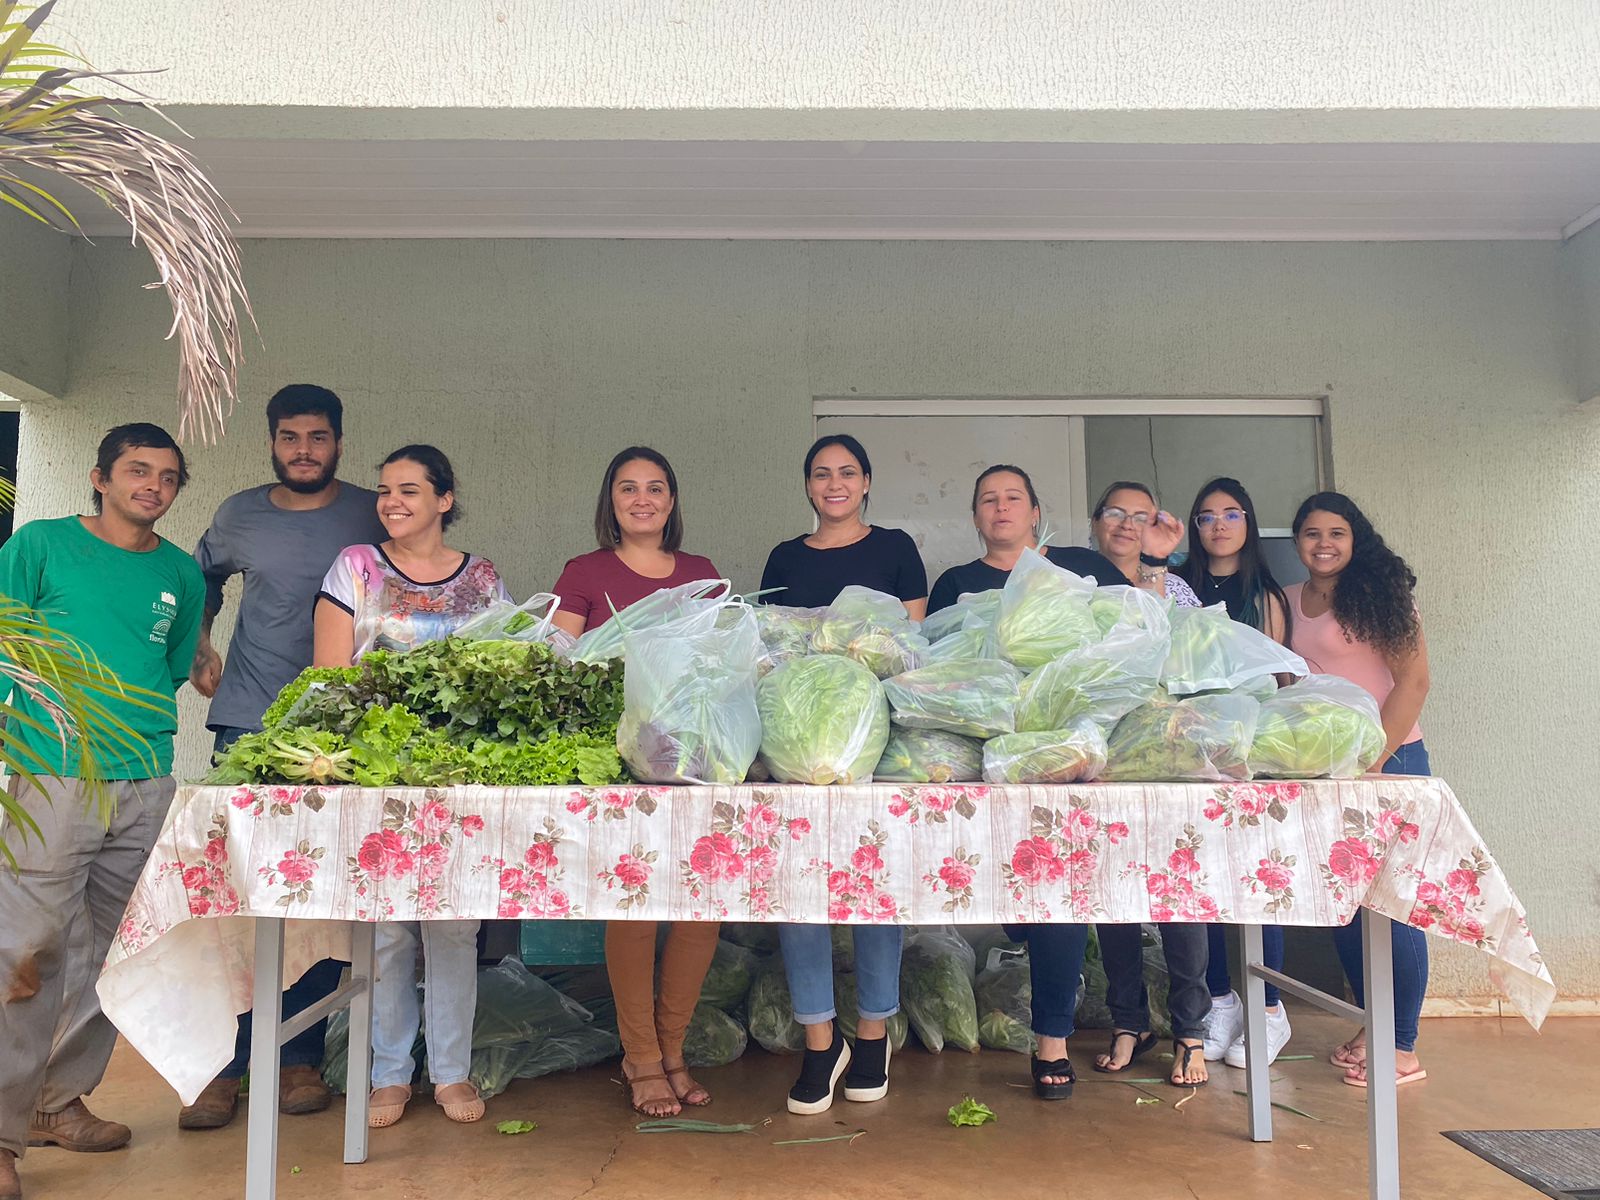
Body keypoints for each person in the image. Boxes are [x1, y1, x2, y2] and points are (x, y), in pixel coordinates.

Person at [0, 424, 205, 1200]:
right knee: (25, 950)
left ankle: (59, 1100)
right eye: (138, 471)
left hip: (145, 779)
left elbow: (172, 665)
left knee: (116, 951)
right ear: (101, 477)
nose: (153, 485)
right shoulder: (41, 546)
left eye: (168, 477)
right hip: (53, 776)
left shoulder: (182, 574)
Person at [180, 384, 386, 1131]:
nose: (305, 450)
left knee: (325, 897)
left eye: (319, 437)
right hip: (247, 723)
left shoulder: (370, 511)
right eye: (291, 437)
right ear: (271, 440)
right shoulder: (239, 513)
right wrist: (200, 644)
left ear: (339, 441)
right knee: (237, 896)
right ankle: (220, 1066)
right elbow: (199, 575)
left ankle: (298, 1056)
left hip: (344, 734)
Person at [313, 445, 509, 1128]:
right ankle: (390, 1075)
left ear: (444, 500)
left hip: (459, 777)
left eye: (410, 490)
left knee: (455, 925)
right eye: (384, 490)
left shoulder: (480, 578)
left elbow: (506, 669)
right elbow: (330, 675)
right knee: (390, 929)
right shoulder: (357, 567)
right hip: (378, 773)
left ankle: (452, 1072)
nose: (392, 502)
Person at [550, 447, 721, 1118]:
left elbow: (723, 662)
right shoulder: (585, 571)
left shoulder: (703, 574)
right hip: (617, 764)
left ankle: (674, 1048)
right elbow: (559, 666)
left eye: (655, 488)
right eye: (628, 488)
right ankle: (642, 1057)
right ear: (611, 500)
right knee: (636, 905)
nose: (642, 498)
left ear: (672, 501)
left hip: (697, 763)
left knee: (703, 905)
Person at [759, 434, 927, 1115]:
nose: (834, 483)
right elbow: (767, 646)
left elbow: (910, 647)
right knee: (800, 890)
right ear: (807, 485)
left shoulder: (895, 548)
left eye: (847, 472)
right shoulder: (784, 556)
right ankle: (820, 1041)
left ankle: (873, 1034)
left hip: (874, 740)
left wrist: (838, 645)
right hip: (796, 743)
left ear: (866, 482)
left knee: (872, 888)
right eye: (822, 473)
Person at [1286, 492, 1431, 1089]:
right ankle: (1374, 1024)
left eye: (1337, 532)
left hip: (1388, 764)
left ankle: (1402, 1047)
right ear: (1297, 540)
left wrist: (1373, 760)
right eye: (1312, 532)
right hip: (1326, 770)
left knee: (1394, 907)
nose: (1324, 543)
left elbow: (1415, 682)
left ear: (1356, 539)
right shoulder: (1292, 600)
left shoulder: (1380, 596)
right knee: (1343, 907)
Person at [1083, 480, 1211, 1088]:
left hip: (1166, 754)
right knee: (1113, 895)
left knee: (1178, 894)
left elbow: (1184, 657)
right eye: (1116, 514)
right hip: (1102, 755)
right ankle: (1129, 1021)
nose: (1128, 526)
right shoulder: (1076, 586)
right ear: (1095, 522)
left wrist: (1157, 565)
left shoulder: (1175, 585)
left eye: (1141, 516)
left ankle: (1191, 1031)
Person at [1175, 478, 1296, 1068]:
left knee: (1255, 886)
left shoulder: (1265, 594)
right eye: (1205, 516)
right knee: (1204, 883)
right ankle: (1221, 999)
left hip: (1248, 755)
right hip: (1193, 755)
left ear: (1249, 522)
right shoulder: (1181, 585)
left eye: (1231, 514)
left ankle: (1269, 1007)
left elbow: (1275, 680)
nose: (1218, 525)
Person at [927, 464, 1121, 613]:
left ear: (1034, 514)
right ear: (976, 519)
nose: (1001, 507)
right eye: (989, 500)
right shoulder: (953, 583)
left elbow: (1134, 621)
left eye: (1013, 498)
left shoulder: (1084, 563)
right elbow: (937, 653)